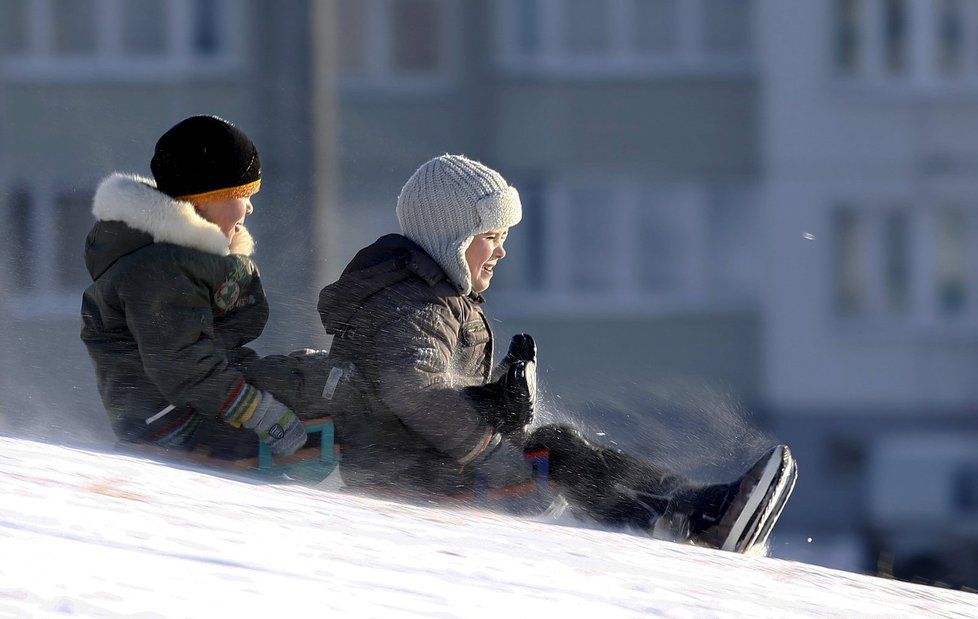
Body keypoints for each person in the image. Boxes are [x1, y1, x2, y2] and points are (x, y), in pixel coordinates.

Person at [316, 154, 797, 553]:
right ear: (451, 237)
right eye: (491, 238)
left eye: (504, 238)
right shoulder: (414, 305)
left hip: (417, 459)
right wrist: (494, 451)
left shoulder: (430, 298)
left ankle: (683, 513)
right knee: (560, 452)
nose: (502, 252)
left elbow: (428, 391)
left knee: (557, 444)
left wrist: (497, 399)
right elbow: (415, 393)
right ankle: (695, 516)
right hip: (406, 475)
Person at [81, 115, 318, 461]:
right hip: (170, 418)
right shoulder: (161, 268)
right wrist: (258, 412)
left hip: (189, 400)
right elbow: (181, 361)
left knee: (310, 378)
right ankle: (385, 457)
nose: (250, 206)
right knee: (319, 389)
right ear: (204, 200)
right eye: (242, 194)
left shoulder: (179, 258)